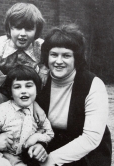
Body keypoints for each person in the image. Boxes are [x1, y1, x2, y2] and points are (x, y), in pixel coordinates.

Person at [36, 24, 112, 166]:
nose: (58, 61)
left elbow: (91, 138)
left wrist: (50, 161)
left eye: (66, 55)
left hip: (87, 151)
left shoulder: (92, 84)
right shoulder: (40, 81)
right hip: (51, 143)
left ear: (76, 58)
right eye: (54, 55)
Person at [0, 65, 54, 166]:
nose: (23, 91)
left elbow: (49, 133)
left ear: (37, 89)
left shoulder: (38, 113)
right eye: (17, 87)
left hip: (22, 157)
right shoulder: (2, 111)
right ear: (10, 92)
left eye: (28, 86)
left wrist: (37, 137)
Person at [0, 2, 49, 87]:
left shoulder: (41, 47)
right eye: (18, 28)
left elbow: (47, 63)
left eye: (29, 29)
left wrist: (43, 72)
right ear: (9, 28)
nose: (23, 33)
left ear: (37, 30)